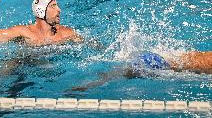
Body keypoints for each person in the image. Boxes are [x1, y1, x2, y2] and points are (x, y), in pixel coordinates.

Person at [70, 51, 212, 92]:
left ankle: (93, 82)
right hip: (156, 63)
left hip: (159, 58)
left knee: (118, 72)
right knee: (117, 74)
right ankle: (92, 84)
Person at [0, 0, 83, 46]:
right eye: (53, 6)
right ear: (40, 11)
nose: (59, 9)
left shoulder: (66, 33)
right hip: (23, 64)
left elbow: (91, 45)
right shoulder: (25, 32)